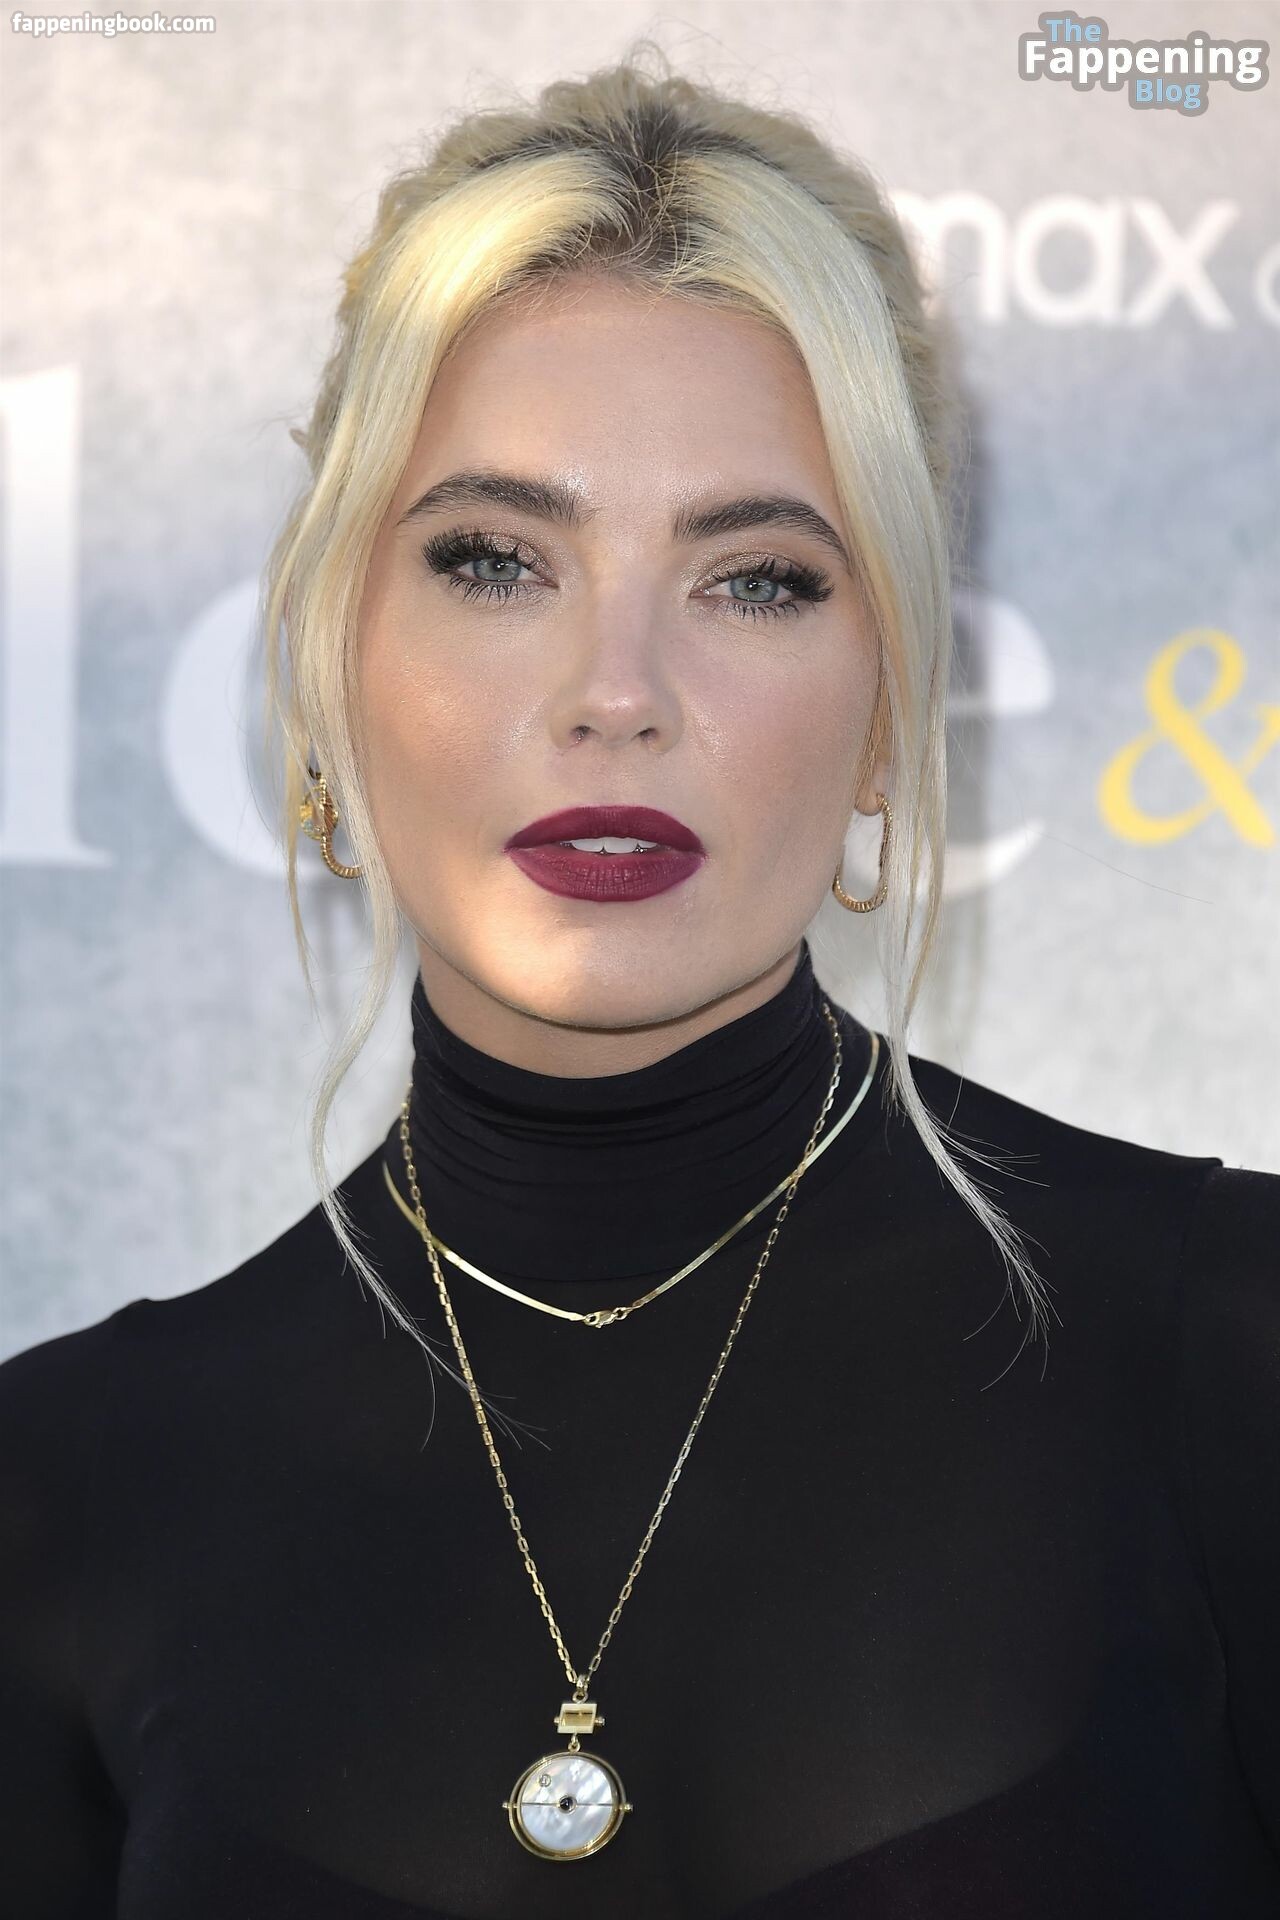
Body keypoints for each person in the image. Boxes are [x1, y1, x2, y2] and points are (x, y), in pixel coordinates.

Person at [2, 44, 1277, 1920]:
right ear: (331, 655)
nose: (618, 692)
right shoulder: (61, 1488)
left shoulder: (1233, 1348)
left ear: (888, 711)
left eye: (755, 579)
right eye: (494, 560)